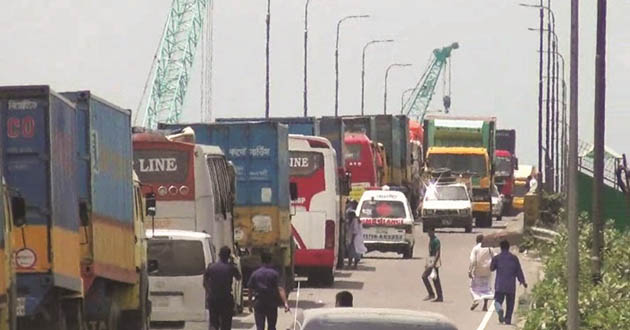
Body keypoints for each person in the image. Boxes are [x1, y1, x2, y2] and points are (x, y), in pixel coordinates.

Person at [247, 252, 290, 330]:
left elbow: (250, 289)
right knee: (272, 326)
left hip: (259, 302)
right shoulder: (274, 274)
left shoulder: (255, 274)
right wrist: (285, 303)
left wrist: (250, 303)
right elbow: (280, 289)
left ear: (261, 260)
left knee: (260, 327)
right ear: (270, 261)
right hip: (271, 303)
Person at [203, 246, 242, 330]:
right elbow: (239, 277)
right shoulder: (231, 268)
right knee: (226, 323)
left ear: (219, 255)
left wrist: (209, 292)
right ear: (229, 256)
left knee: (213, 322)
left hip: (213, 298)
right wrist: (232, 263)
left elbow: (205, 282)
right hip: (226, 298)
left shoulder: (211, 267)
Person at [491, 240, 527, 325]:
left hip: (500, 284)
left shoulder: (497, 258)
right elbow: (518, 270)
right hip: (511, 285)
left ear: (501, 247)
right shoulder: (514, 258)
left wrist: (493, 260)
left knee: (497, 301)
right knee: (510, 303)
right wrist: (522, 281)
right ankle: (507, 319)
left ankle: (499, 309)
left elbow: (491, 268)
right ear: (508, 247)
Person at [468, 234, 494, 311]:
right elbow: (494, 257)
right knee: (486, 288)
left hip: (478, 271)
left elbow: (472, 260)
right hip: (488, 271)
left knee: (473, 287)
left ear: (477, 241)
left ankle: (476, 299)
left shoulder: (475, 248)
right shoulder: (490, 248)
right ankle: (485, 305)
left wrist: (470, 271)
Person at [421, 228, 443, 302]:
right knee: (435, 279)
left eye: (430, 231)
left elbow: (437, 252)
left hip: (434, 261)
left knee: (425, 276)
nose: (428, 233)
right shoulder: (431, 240)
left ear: (433, 232)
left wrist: (434, 263)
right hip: (431, 260)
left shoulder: (436, 241)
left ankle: (433, 294)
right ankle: (438, 296)